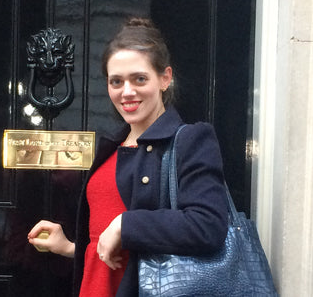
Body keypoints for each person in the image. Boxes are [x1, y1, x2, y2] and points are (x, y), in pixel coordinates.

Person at [27, 17, 228, 296]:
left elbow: (208, 226)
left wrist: (125, 224)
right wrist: (71, 247)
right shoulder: (111, 145)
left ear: (165, 78)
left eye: (140, 79)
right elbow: (113, 249)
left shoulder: (190, 140)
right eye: (116, 81)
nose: (127, 92)